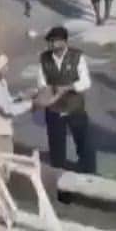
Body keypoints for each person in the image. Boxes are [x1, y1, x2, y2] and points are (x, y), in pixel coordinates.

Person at [37, 27, 96, 174]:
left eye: (54, 41)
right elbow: (41, 82)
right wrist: (49, 92)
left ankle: (88, 170)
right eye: (50, 42)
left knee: (83, 141)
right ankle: (58, 170)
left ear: (64, 42)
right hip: (54, 108)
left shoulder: (77, 56)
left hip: (75, 107)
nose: (51, 45)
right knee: (56, 143)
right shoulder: (44, 58)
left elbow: (86, 82)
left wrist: (68, 87)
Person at [0, 53, 33, 155]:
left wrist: (21, 97)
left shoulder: (2, 82)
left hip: (4, 133)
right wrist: (29, 104)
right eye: (5, 65)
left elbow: (7, 101)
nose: (7, 68)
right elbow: (6, 111)